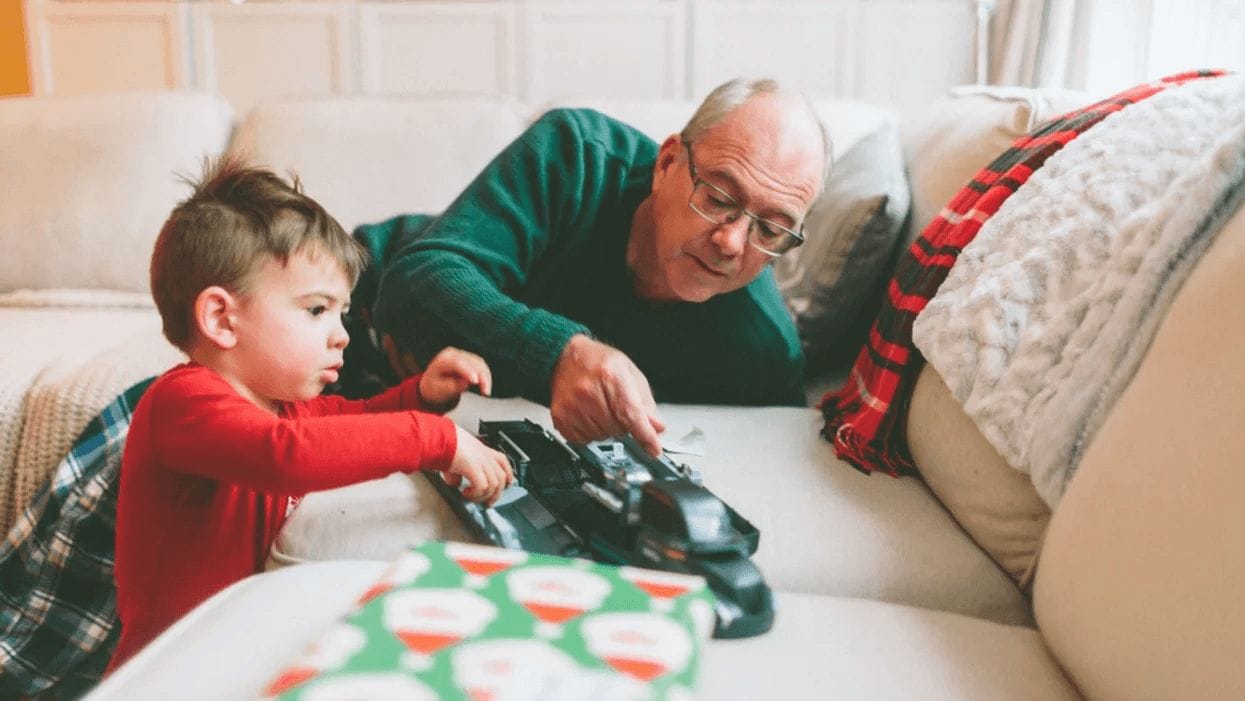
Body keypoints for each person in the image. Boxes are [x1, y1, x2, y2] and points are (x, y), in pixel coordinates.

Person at [107, 159, 513, 672]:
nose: (341, 334)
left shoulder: (277, 404)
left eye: (342, 313)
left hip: (233, 644)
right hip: (167, 668)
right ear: (221, 319)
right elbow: (285, 455)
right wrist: (437, 436)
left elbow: (350, 419)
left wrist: (421, 395)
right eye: (317, 310)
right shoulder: (182, 402)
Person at [350, 78, 829, 457]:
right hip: (354, 307)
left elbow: (778, 450)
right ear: (666, 165)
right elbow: (411, 284)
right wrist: (562, 353)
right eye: (719, 198)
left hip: (433, 397)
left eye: (771, 228)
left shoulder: (763, 350)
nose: (731, 242)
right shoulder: (577, 153)